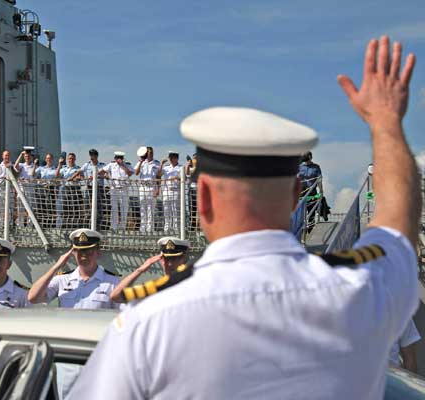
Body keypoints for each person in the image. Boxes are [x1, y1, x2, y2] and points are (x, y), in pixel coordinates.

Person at [69, 37, 420, 399]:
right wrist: (386, 123)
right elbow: (397, 224)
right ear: (297, 194)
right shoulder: (362, 290)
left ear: (202, 198)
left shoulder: (149, 321)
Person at [28, 229, 120, 309]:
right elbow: (33, 297)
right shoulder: (62, 280)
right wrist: (56, 267)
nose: (83, 255)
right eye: (79, 251)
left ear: (98, 252)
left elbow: (122, 313)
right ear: (73, 252)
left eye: (88, 251)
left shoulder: (112, 282)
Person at [110, 236, 190, 303]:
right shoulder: (154, 288)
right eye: (166, 259)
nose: (169, 264)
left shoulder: (192, 286)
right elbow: (116, 296)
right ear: (161, 261)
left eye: (174, 259)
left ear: (184, 260)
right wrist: (139, 270)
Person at [100, 151, 134, 231]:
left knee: (124, 209)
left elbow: (129, 173)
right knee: (114, 209)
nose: (119, 159)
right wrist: (106, 175)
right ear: (115, 158)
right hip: (114, 189)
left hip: (124, 189)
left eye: (121, 158)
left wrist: (122, 165)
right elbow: (101, 171)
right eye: (118, 158)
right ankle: (113, 227)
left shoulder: (127, 165)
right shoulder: (111, 165)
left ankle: (122, 228)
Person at [77, 149, 107, 230]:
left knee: (99, 207)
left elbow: (106, 173)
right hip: (89, 187)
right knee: (88, 207)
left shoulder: (102, 165)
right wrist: (82, 177)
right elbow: (79, 171)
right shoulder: (87, 165)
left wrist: (97, 175)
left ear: (96, 156)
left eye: (93, 155)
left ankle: (98, 225)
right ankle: (89, 225)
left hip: (99, 187)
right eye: (90, 155)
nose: (91, 157)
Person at [134, 146, 160, 233]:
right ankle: (142, 228)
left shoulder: (156, 163)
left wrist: (158, 189)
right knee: (142, 208)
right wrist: (141, 162)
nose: (151, 154)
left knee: (150, 209)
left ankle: (150, 229)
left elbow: (159, 177)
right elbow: (136, 173)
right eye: (149, 153)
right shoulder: (141, 162)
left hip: (152, 187)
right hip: (142, 187)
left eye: (152, 153)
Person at [298, 150, 324, 231]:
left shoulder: (316, 167)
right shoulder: (299, 167)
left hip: (312, 192)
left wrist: (321, 191)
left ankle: (310, 229)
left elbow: (319, 179)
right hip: (301, 192)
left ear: (310, 157)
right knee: (300, 211)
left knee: (311, 211)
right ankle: (300, 229)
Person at [157, 151, 183, 232]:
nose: (171, 160)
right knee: (166, 210)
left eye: (172, 158)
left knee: (175, 211)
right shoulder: (166, 167)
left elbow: (184, 176)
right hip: (166, 190)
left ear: (176, 158)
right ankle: (167, 228)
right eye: (170, 158)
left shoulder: (181, 167)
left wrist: (177, 177)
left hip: (176, 190)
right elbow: (158, 174)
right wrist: (161, 164)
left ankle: (176, 229)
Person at [55, 153, 81, 229]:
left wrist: (77, 178)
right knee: (61, 210)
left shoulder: (78, 168)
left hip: (74, 190)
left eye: (72, 158)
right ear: (67, 159)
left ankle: (73, 228)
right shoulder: (64, 168)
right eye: (69, 158)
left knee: (73, 211)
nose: (71, 160)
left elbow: (81, 176)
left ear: (75, 159)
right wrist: (59, 164)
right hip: (64, 189)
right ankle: (59, 228)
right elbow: (56, 175)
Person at [13, 147, 37, 228]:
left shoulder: (35, 166)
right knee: (20, 207)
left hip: (30, 189)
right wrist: (21, 154)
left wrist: (34, 164)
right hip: (21, 188)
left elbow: (33, 175)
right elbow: (15, 166)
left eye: (28, 156)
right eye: (26, 156)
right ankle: (20, 225)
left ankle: (30, 225)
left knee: (30, 208)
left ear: (31, 157)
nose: (27, 157)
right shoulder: (22, 165)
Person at [37, 153, 59, 228]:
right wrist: (34, 164)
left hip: (51, 188)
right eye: (47, 158)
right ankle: (44, 223)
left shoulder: (55, 168)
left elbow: (56, 175)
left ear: (52, 159)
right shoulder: (41, 168)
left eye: (50, 158)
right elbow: (32, 174)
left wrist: (59, 164)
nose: (48, 159)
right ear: (46, 159)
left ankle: (51, 224)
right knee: (42, 206)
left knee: (51, 206)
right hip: (42, 188)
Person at [0, 151, 14, 229]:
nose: (6, 157)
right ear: (2, 156)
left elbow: (16, 175)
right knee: (0, 208)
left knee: (10, 208)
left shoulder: (13, 166)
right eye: (5, 155)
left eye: (8, 155)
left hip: (10, 189)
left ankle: (9, 225)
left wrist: (11, 167)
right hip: (0, 189)